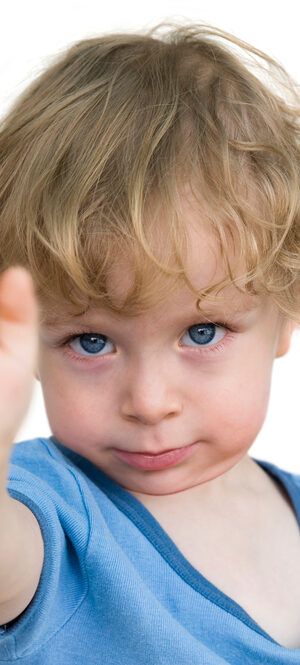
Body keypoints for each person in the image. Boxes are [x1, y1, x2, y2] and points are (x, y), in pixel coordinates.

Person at [0, 21, 299, 664]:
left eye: (201, 332)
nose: (149, 401)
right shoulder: (47, 512)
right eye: (89, 342)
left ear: (288, 311)